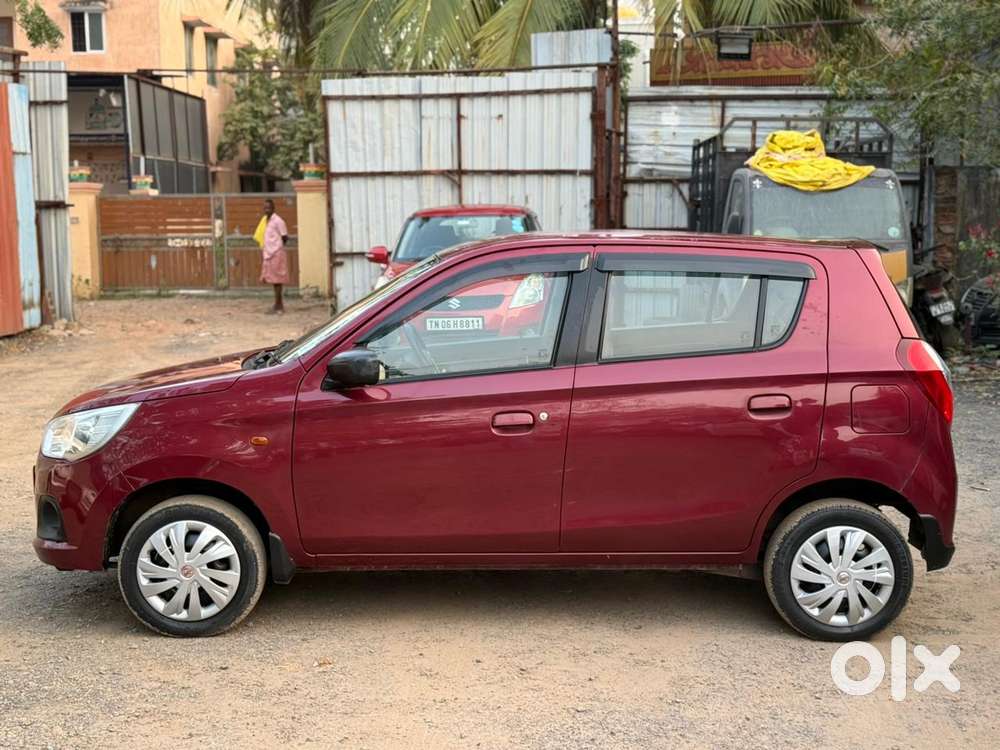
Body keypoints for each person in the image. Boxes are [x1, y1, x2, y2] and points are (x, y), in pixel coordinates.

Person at [259, 199, 289, 314]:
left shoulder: (278, 221)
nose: (267, 210)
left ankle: (279, 306)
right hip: (269, 254)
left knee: (278, 280)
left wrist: (277, 247)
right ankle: (278, 304)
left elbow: (285, 237)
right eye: (265, 208)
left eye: (269, 208)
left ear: (273, 208)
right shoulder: (265, 221)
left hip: (277, 253)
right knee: (273, 280)